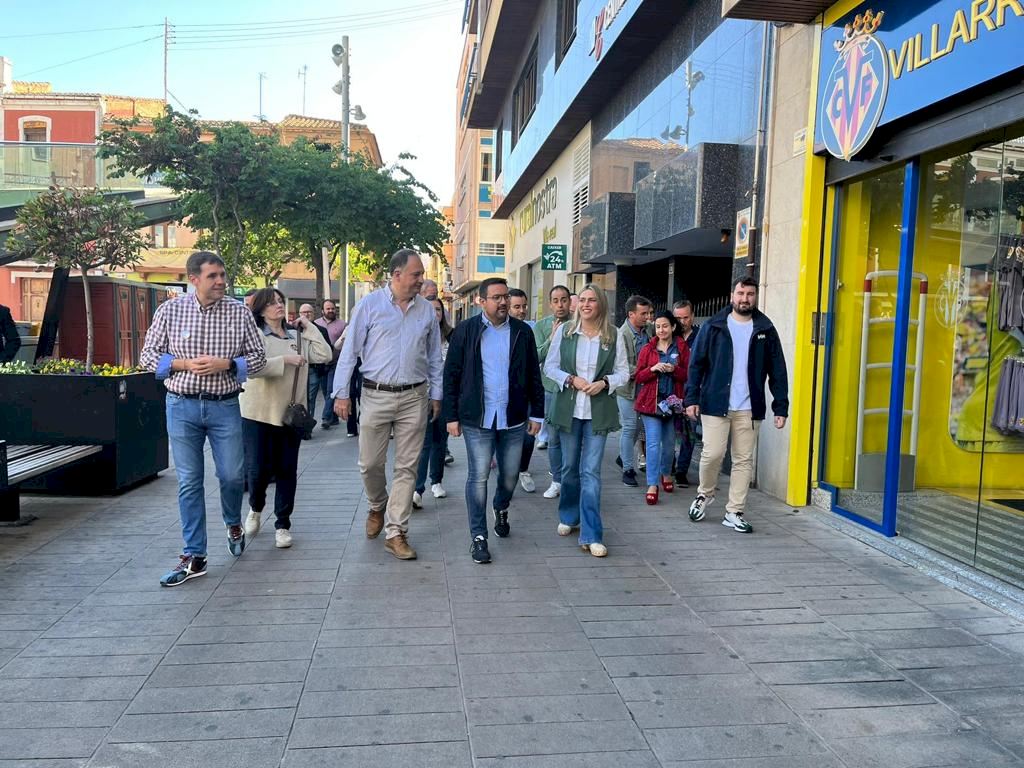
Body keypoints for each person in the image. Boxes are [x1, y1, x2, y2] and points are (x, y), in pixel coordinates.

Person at [140, 251, 267, 586]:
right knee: (189, 481)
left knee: (232, 475)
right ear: (193, 279)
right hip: (181, 405)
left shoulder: (239, 312)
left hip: (224, 405)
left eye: (222, 274)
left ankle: (232, 521)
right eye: (213, 276)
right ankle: (195, 555)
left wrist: (227, 364)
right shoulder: (170, 310)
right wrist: (182, 364)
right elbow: (147, 355)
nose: (221, 281)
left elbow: (258, 358)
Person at [332, 249, 443, 560]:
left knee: (407, 467)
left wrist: (437, 394)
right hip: (375, 394)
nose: (421, 280)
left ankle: (396, 532)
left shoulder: (426, 311)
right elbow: (350, 352)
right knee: (369, 464)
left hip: (414, 396)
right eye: (416, 274)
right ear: (396, 275)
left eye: (421, 275)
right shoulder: (369, 305)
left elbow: (434, 357)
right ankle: (377, 504)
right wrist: (341, 394)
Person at [445, 278, 544, 564]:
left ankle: (501, 506)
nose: (503, 302)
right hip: (477, 419)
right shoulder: (465, 331)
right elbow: (451, 375)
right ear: (482, 301)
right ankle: (478, 536)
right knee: (478, 477)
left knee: (510, 476)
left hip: (513, 418)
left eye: (505, 297)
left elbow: (533, 375)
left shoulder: (522, 332)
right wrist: (451, 416)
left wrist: (537, 413)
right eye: (496, 297)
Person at [685, 277, 789, 533]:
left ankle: (734, 511)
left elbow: (777, 369)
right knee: (712, 454)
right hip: (715, 402)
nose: (745, 298)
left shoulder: (765, 328)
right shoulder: (714, 325)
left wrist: (781, 406)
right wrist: (691, 398)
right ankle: (705, 493)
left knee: (743, 460)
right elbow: (696, 364)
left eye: (750, 294)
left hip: (749, 407)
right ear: (732, 295)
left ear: (755, 296)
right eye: (741, 293)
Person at [241, 289, 331, 547]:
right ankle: (256, 507)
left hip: (290, 414)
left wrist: (310, 328)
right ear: (260, 309)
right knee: (257, 470)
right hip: (257, 413)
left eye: (280, 301)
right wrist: (285, 360)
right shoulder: (255, 335)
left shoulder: (297, 336)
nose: (278, 306)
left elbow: (325, 355)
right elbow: (251, 368)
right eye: (272, 303)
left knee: (287, 469)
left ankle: (282, 524)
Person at [544, 284, 629, 558]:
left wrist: (605, 382)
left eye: (592, 300)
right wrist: (571, 379)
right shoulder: (566, 332)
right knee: (570, 468)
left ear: (601, 304)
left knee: (590, 472)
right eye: (582, 300)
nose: (586, 304)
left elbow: (624, 373)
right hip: (569, 409)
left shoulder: (613, 335)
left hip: (598, 412)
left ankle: (591, 534)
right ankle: (569, 516)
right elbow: (550, 367)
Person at [634, 311, 690, 505]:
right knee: (652, 444)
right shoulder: (648, 349)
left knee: (668, 444)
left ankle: (666, 473)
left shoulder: (681, 347)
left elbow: (689, 374)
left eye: (665, 326)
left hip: (673, 403)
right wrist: (652, 369)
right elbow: (638, 377)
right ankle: (652, 484)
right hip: (650, 404)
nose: (661, 330)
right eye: (658, 326)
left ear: (673, 327)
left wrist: (675, 370)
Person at [532, 285, 573, 498]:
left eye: (564, 300)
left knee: (574, 437)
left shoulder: (579, 323)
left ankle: (572, 480)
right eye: (555, 301)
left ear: (570, 302)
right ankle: (557, 480)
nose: (560, 305)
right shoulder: (541, 326)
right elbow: (536, 356)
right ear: (550, 304)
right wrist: (552, 338)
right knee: (554, 437)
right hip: (550, 388)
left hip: (575, 389)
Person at [414, 297, 454, 507]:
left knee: (440, 441)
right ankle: (417, 489)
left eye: (438, 309)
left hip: (445, 397)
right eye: (431, 309)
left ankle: (436, 481)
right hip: (421, 396)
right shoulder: (416, 334)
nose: (435, 313)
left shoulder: (451, 336)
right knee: (423, 443)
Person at [614, 295, 653, 488]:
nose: (648, 317)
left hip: (644, 389)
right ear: (631, 314)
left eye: (649, 313)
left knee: (637, 428)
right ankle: (628, 470)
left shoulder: (649, 331)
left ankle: (623, 456)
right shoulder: (621, 334)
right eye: (643, 313)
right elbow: (619, 364)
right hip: (627, 390)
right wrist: (645, 371)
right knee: (630, 427)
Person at [508, 288, 538, 492]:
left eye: (524, 306)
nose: (521, 311)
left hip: (526, 393)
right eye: (517, 307)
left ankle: (523, 470)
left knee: (528, 437)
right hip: (502, 395)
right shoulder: (496, 331)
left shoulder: (529, 330)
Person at [672, 299, 700, 486]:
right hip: (671, 391)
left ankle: (682, 470)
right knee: (669, 432)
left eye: (686, 317)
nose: (682, 322)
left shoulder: (700, 336)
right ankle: (669, 466)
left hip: (692, 391)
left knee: (689, 432)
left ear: (693, 316)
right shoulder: (668, 336)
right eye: (678, 318)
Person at [313, 300, 346, 430]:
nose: (331, 310)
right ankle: (334, 418)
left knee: (331, 391)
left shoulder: (342, 325)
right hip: (321, 364)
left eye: (333, 308)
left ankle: (325, 418)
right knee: (326, 390)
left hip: (336, 363)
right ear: (323, 310)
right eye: (328, 309)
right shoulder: (316, 324)